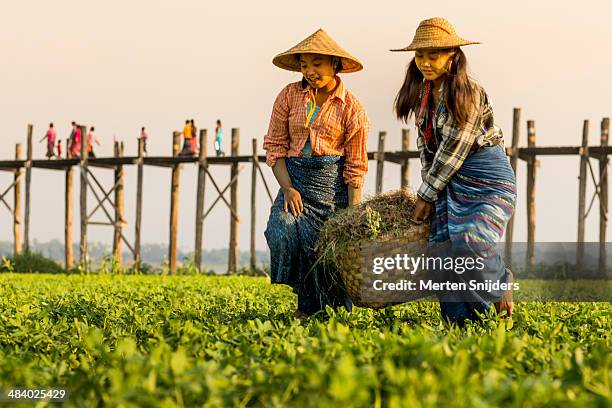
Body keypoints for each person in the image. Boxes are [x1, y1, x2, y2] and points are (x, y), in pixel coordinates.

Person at [391, 17, 516, 325]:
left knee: (471, 243)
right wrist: (430, 190)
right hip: (448, 180)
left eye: (433, 55)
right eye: (420, 55)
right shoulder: (423, 95)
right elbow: (427, 151)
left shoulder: (468, 93)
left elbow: (454, 150)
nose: (425, 62)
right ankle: (467, 323)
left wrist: (426, 194)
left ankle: (500, 282)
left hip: (487, 178)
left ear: (453, 55)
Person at [263, 29, 369, 319]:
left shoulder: (353, 108)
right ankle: (307, 303)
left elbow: (356, 165)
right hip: (295, 181)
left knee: (325, 251)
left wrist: (353, 213)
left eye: (317, 64)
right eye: (304, 64)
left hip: (332, 189)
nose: (309, 71)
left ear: (335, 64)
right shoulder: (288, 96)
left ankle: (326, 314)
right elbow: (275, 146)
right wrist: (287, 187)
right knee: (281, 231)